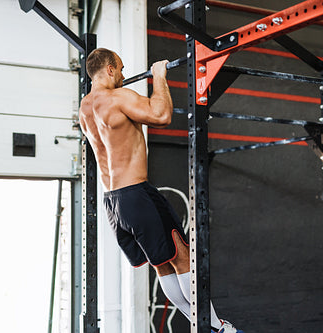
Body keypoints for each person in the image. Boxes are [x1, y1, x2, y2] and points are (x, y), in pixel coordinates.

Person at [79, 48, 243, 333]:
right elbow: (162, 115)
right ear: (108, 70)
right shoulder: (118, 97)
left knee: (163, 265)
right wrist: (159, 77)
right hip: (136, 193)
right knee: (181, 255)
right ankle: (218, 328)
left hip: (113, 202)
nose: (123, 75)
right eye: (120, 69)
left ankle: (207, 325)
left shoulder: (84, 108)